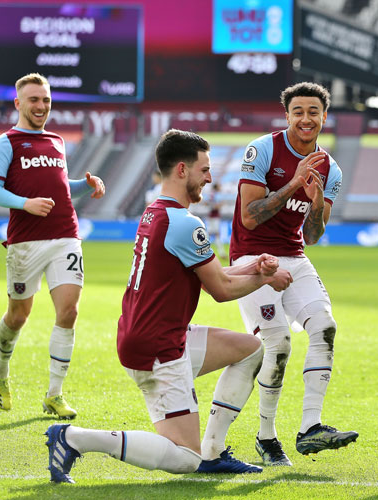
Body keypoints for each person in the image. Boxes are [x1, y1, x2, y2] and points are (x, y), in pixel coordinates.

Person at [44, 129, 294, 483]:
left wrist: (255, 267)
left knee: (251, 349)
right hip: (158, 346)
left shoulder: (156, 212)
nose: (210, 177)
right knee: (184, 457)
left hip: (156, 334)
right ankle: (73, 439)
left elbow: (212, 273)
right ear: (181, 170)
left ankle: (215, 451)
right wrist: (266, 278)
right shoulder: (183, 223)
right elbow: (220, 289)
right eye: (204, 169)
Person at [230, 82, 357, 466]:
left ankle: (309, 428)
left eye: (313, 112)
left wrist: (317, 202)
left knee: (325, 326)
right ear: (287, 116)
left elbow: (313, 235)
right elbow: (249, 217)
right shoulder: (262, 150)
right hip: (252, 258)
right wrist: (292, 184)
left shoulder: (330, 168)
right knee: (279, 344)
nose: (306, 118)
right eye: (298, 111)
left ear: (323, 116)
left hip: (295, 257)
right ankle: (266, 438)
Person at [0, 73, 105, 419]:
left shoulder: (56, 141)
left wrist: (85, 185)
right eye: (34, 100)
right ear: (18, 104)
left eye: (46, 100)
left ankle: (54, 394)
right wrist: (26, 203)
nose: (41, 106)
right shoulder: (6, 142)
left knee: (69, 312)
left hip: (65, 234)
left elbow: (61, 187)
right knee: (18, 316)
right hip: (25, 242)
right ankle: (0, 369)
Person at [206, 183, 227, 258]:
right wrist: (220, 205)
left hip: (212, 216)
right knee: (216, 234)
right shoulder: (215, 195)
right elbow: (214, 206)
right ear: (216, 187)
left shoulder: (212, 194)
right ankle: (221, 253)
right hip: (214, 217)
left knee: (210, 234)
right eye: (219, 186)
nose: (220, 187)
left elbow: (207, 204)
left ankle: (204, 251)